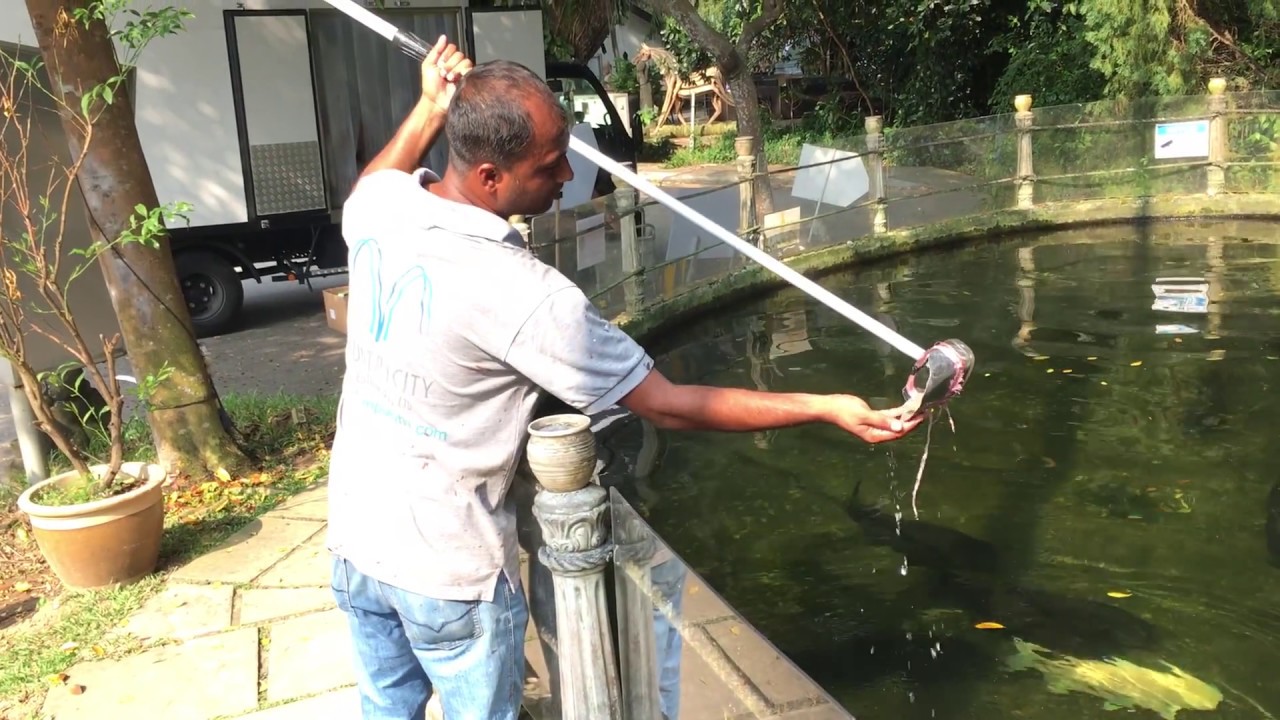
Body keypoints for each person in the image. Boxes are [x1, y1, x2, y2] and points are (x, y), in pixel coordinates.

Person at [325, 36, 924, 720]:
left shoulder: (381, 213)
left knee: (384, 709)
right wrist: (824, 406)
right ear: (491, 177)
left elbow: (378, 178)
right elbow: (669, 405)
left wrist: (430, 107)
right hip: (449, 573)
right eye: (551, 166)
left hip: (356, 541)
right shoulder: (528, 295)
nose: (566, 177)